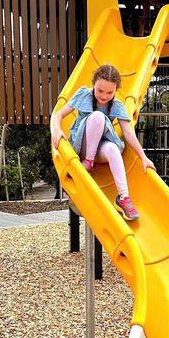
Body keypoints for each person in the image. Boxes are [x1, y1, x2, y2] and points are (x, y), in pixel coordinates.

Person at [51, 64, 155, 221]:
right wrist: (57, 130)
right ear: (93, 84)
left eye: (110, 92)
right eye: (100, 90)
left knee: (113, 148)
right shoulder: (84, 95)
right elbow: (58, 115)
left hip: (100, 148)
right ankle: (88, 162)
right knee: (98, 117)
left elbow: (128, 133)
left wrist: (143, 157)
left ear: (115, 91)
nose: (104, 96)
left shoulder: (117, 105)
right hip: (82, 145)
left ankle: (123, 197)